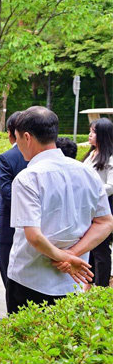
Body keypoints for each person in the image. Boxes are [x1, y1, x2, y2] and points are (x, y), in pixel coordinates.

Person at [7, 106, 113, 314]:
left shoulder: (28, 177)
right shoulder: (86, 172)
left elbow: (34, 237)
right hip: (71, 281)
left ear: (27, 137)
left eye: (17, 139)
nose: (17, 145)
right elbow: (105, 222)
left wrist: (63, 257)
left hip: (29, 277)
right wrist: (72, 255)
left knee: (24, 343)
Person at [0, 112, 28, 300]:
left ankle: (14, 316)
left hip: (10, 225)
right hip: (40, 227)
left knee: (8, 272)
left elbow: (6, 193)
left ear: (10, 132)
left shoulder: (7, 157)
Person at [82, 118, 113, 288]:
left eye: (93, 132)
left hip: (104, 208)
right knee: (92, 247)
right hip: (90, 208)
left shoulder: (110, 158)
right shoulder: (91, 155)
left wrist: (93, 192)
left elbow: (111, 186)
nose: (90, 135)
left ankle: (101, 287)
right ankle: (89, 282)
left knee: (101, 249)